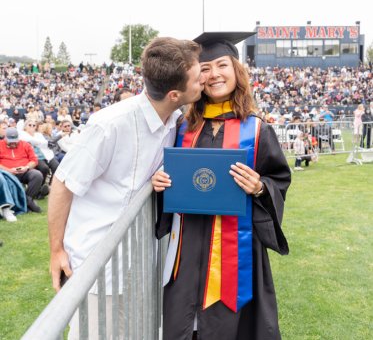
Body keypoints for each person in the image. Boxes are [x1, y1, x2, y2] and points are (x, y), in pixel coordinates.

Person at [47, 36, 205, 340]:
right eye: (198, 78)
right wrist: (56, 251)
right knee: (95, 333)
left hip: (136, 259)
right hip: (94, 264)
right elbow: (63, 183)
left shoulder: (174, 120)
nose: (204, 81)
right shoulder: (109, 125)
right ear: (174, 93)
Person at [152, 32, 291, 340]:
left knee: (233, 328)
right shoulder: (181, 127)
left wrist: (259, 187)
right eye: (205, 67)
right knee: (182, 325)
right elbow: (165, 174)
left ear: (236, 70)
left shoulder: (257, 130)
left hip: (236, 250)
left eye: (222, 65)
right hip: (187, 245)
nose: (213, 74)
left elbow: (278, 179)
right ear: (195, 76)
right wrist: (159, 182)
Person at [0, 127, 43, 213]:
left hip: (24, 171)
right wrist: (8, 170)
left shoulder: (25, 144)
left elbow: (34, 160)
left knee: (37, 175)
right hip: (7, 173)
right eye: (10, 141)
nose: (13, 143)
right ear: (5, 137)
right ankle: (28, 202)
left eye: (15, 141)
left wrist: (26, 167)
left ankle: (27, 199)